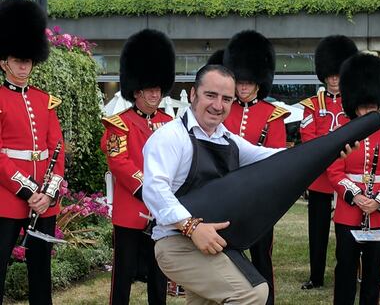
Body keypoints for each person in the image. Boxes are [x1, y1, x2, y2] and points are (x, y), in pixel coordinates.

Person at [142, 64, 359, 305]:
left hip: (214, 243)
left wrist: (328, 151)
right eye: (210, 95)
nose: (218, 105)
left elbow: (275, 158)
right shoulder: (170, 137)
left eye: (226, 99)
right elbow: (155, 190)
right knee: (252, 294)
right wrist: (192, 227)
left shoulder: (226, 139)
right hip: (177, 243)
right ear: (193, 94)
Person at [100, 29, 174, 305]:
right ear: (136, 90)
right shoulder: (119, 123)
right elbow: (118, 162)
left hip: (162, 212)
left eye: (158, 89)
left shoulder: (169, 122)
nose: (155, 95)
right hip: (132, 209)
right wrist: (148, 189)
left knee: (159, 273)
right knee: (124, 274)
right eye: (149, 90)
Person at [328, 52, 380, 305]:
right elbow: (334, 171)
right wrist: (357, 196)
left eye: (372, 106)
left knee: (373, 274)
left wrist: (377, 201)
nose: (367, 111)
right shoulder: (342, 135)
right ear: (354, 106)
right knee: (346, 270)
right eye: (363, 106)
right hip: (348, 212)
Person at [0, 0, 65, 305]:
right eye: (17, 60)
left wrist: (49, 193)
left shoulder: (44, 100)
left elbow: (57, 148)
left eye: (28, 60)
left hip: (45, 199)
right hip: (8, 197)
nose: (24, 66)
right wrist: (28, 191)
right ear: (4, 62)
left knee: (41, 270)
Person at [222, 30, 289, 305]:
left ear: (259, 82)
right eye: (240, 81)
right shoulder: (223, 109)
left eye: (249, 82)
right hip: (227, 193)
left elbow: (275, 160)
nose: (243, 87)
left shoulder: (272, 116)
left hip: (258, 197)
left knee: (262, 255)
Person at [299, 35, 358, 290]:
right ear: (324, 75)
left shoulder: (355, 104)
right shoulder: (313, 105)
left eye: (338, 74)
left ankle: (346, 273)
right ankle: (316, 276)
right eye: (330, 75)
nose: (334, 79)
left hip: (348, 175)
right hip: (321, 178)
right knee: (318, 230)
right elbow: (308, 137)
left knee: (348, 229)